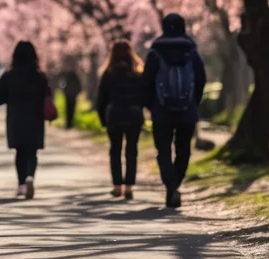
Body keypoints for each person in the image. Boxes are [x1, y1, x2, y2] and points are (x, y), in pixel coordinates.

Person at [143, 13, 207, 208]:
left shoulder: (155, 51)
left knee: (163, 150)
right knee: (184, 149)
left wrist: (150, 105)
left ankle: (170, 185)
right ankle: (176, 183)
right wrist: (194, 102)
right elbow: (201, 79)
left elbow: (146, 82)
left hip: (161, 111)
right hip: (187, 111)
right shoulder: (192, 50)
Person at [0, 41, 50, 199]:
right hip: (35, 117)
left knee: (20, 152)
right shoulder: (40, 77)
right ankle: (30, 177)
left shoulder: (8, 76)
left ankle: (21, 185)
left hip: (16, 118)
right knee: (32, 152)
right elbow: (47, 95)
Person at [95, 39, 146, 200]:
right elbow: (144, 97)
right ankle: (129, 186)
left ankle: (117, 186)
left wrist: (103, 119)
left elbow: (101, 100)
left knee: (115, 151)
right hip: (134, 116)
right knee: (132, 151)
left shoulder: (108, 75)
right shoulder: (137, 74)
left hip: (114, 116)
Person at [60, 65, 83, 130]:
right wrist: (78, 92)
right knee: (72, 109)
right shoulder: (75, 78)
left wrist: (64, 92)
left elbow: (63, 86)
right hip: (73, 95)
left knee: (68, 109)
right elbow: (79, 86)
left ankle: (68, 123)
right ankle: (70, 123)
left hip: (68, 95)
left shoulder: (67, 77)